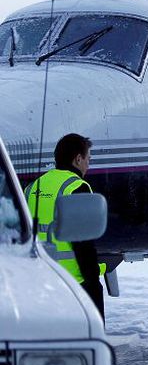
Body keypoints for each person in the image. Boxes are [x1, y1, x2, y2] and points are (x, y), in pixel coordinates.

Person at [25, 133, 106, 319]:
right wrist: (93, 281)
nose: (88, 165)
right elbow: (83, 243)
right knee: (86, 341)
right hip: (74, 282)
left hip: (40, 280)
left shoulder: (31, 188)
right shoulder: (77, 187)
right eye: (88, 159)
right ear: (78, 159)